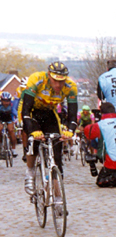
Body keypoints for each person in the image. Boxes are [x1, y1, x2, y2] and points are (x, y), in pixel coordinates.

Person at [22, 62, 78, 194]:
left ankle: (57, 196)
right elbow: (26, 111)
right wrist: (32, 131)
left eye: (61, 81)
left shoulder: (71, 87)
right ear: (48, 76)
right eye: (55, 81)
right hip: (32, 111)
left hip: (49, 113)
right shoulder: (37, 79)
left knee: (57, 152)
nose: (58, 85)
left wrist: (70, 131)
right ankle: (30, 172)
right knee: (34, 141)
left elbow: (72, 115)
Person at [84, 102, 116, 188]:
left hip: (111, 162)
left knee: (100, 182)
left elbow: (88, 134)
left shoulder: (100, 124)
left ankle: (115, 177)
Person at [0, 92, 18, 158]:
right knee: (0, 129)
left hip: (9, 118)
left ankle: (13, 149)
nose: (6, 103)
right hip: (1, 118)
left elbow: (15, 113)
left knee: (11, 130)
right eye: (4, 101)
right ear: (1, 100)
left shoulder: (12, 104)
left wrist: (17, 120)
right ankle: (1, 144)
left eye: (8, 101)